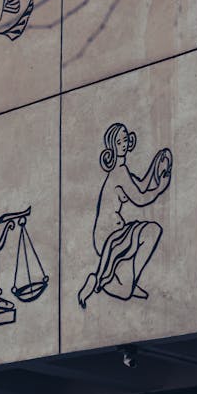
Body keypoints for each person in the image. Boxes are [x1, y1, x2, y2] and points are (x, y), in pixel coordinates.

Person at [78, 122, 172, 308]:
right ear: (113, 146)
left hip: (115, 230)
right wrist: (161, 186)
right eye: (119, 140)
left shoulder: (122, 171)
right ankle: (110, 282)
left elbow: (142, 185)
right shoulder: (119, 173)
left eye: (125, 138)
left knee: (151, 232)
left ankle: (124, 283)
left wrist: (156, 165)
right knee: (152, 231)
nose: (123, 142)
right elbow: (141, 198)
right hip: (108, 234)